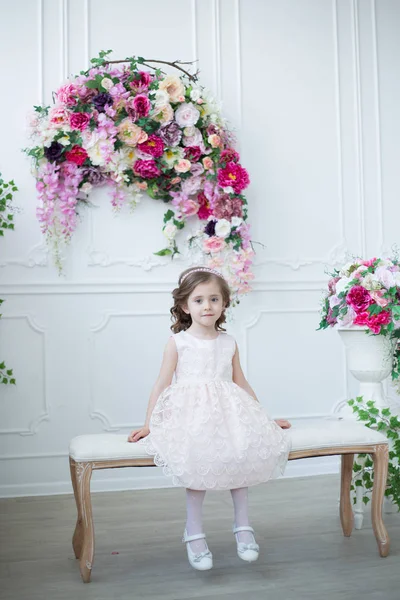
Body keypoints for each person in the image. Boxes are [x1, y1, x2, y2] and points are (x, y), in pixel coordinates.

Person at [128, 266, 291, 571]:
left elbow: (241, 382)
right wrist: (150, 423)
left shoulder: (229, 342)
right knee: (197, 465)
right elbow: (161, 384)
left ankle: (243, 526)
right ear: (184, 306)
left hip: (229, 412)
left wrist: (264, 419)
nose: (207, 306)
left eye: (214, 299)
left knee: (241, 457)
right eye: (199, 300)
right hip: (191, 416)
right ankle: (194, 532)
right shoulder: (178, 343)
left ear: (224, 304)